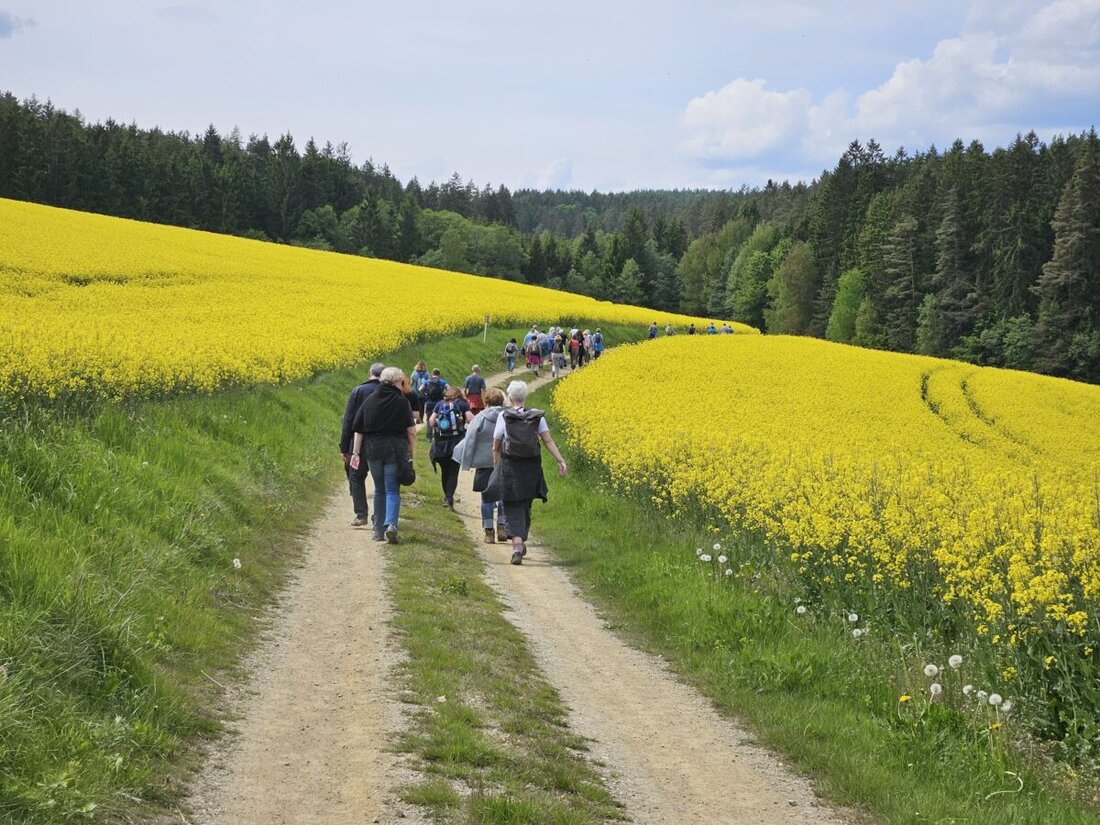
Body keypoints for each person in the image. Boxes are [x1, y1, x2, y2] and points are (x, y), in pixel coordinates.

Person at [492, 380, 567, 565]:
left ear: (509, 397)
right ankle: (520, 541)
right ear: (524, 397)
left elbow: (496, 444)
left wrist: (496, 466)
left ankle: (517, 546)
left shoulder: (504, 416)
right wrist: (560, 459)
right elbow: (548, 441)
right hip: (531, 467)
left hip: (511, 466)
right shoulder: (536, 416)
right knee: (525, 504)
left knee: (512, 504)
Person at [350, 367, 416, 544]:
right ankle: (391, 525)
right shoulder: (402, 403)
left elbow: (358, 430)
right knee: (392, 489)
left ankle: (378, 531)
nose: (403, 385)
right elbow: (411, 432)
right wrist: (411, 452)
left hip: (373, 450)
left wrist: (356, 453)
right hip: (394, 450)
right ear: (397, 382)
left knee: (379, 489)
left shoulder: (370, 400)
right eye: (402, 382)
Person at [453, 386, 509, 543]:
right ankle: (502, 527)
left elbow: (470, 439)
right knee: (502, 494)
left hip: (484, 463)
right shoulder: (507, 416)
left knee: (486, 497)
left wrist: (466, 461)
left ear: (486, 401)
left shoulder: (481, 417)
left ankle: (489, 532)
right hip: (503, 461)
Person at [339, 362, 384, 527]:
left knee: (356, 477)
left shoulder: (358, 391)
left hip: (359, 442)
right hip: (384, 442)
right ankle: (380, 517)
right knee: (383, 480)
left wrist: (344, 447)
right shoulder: (392, 392)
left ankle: (361, 514)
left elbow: (348, 421)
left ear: (370, 373)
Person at [428, 385, 470, 509]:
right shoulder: (463, 404)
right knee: (453, 471)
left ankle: (446, 496)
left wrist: (440, 425)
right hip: (457, 442)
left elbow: (431, 421)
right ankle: (449, 497)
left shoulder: (440, 404)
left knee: (444, 471)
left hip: (441, 443)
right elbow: (470, 419)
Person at [420, 369, 448, 440]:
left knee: (429, 419)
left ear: (432, 374)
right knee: (439, 418)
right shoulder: (442, 382)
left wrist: (425, 394)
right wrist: (444, 394)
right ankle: (438, 434)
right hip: (439, 404)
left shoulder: (427, 381)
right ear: (439, 374)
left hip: (429, 403)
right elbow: (449, 388)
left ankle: (429, 437)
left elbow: (420, 389)